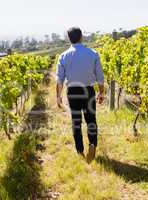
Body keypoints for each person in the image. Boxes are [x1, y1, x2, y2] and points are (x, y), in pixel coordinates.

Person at [56, 27, 105, 163]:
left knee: (76, 122)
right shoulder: (93, 53)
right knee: (91, 120)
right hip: (88, 90)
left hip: (73, 92)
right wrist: (101, 92)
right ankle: (93, 145)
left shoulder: (63, 56)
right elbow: (100, 77)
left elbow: (59, 80)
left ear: (69, 38)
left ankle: (80, 151)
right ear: (81, 37)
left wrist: (58, 97)